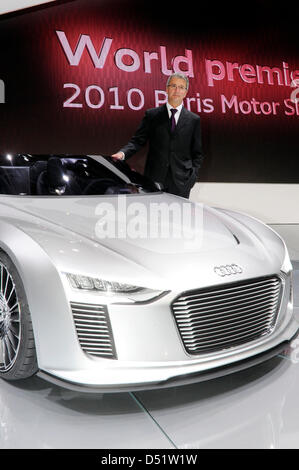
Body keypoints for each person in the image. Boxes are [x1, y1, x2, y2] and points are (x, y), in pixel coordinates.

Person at [112, 72, 203, 198]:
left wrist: (191, 177)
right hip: (154, 179)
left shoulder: (194, 120)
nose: (177, 90)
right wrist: (122, 154)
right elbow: (137, 141)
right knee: (154, 215)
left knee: (179, 217)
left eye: (181, 87)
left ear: (186, 92)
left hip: (182, 182)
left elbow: (197, 154)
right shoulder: (152, 115)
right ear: (166, 89)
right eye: (173, 86)